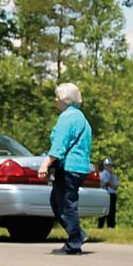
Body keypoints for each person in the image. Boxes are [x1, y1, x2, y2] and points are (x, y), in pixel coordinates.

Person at [37, 82, 92, 255]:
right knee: (59, 201)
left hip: (69, 167)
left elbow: (60, 144)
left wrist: (45, 163)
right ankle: (78, 234)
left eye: (57, 97)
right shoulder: (81, 118)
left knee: (65, 204)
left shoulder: (67, 118)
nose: (55, 100)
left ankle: (75, 241)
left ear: (63, 99)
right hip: (81, 167)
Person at [97, 157, 118, 229]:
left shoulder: (114, 175)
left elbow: (115, 186)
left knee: (112, 211)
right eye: (107, 165)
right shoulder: (101, 174)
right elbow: (108, 183)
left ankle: (111, 226)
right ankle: (100, 226)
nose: (109, 167)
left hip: (112, 194)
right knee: (103, 211)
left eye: (110, 165)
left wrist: (111, 175)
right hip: (104, 194)